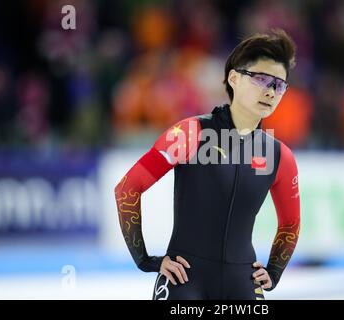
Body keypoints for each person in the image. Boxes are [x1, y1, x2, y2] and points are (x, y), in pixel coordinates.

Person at [114, 29, 300, 300]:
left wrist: (274, 271)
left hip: (242, 283)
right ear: (234, 79)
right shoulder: (191, 134)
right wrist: (146, 260)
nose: (271, 92)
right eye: (261, 79)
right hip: (185, 282)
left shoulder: (279, 155)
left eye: (279, 85)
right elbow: (127, 189)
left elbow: (290, 223)